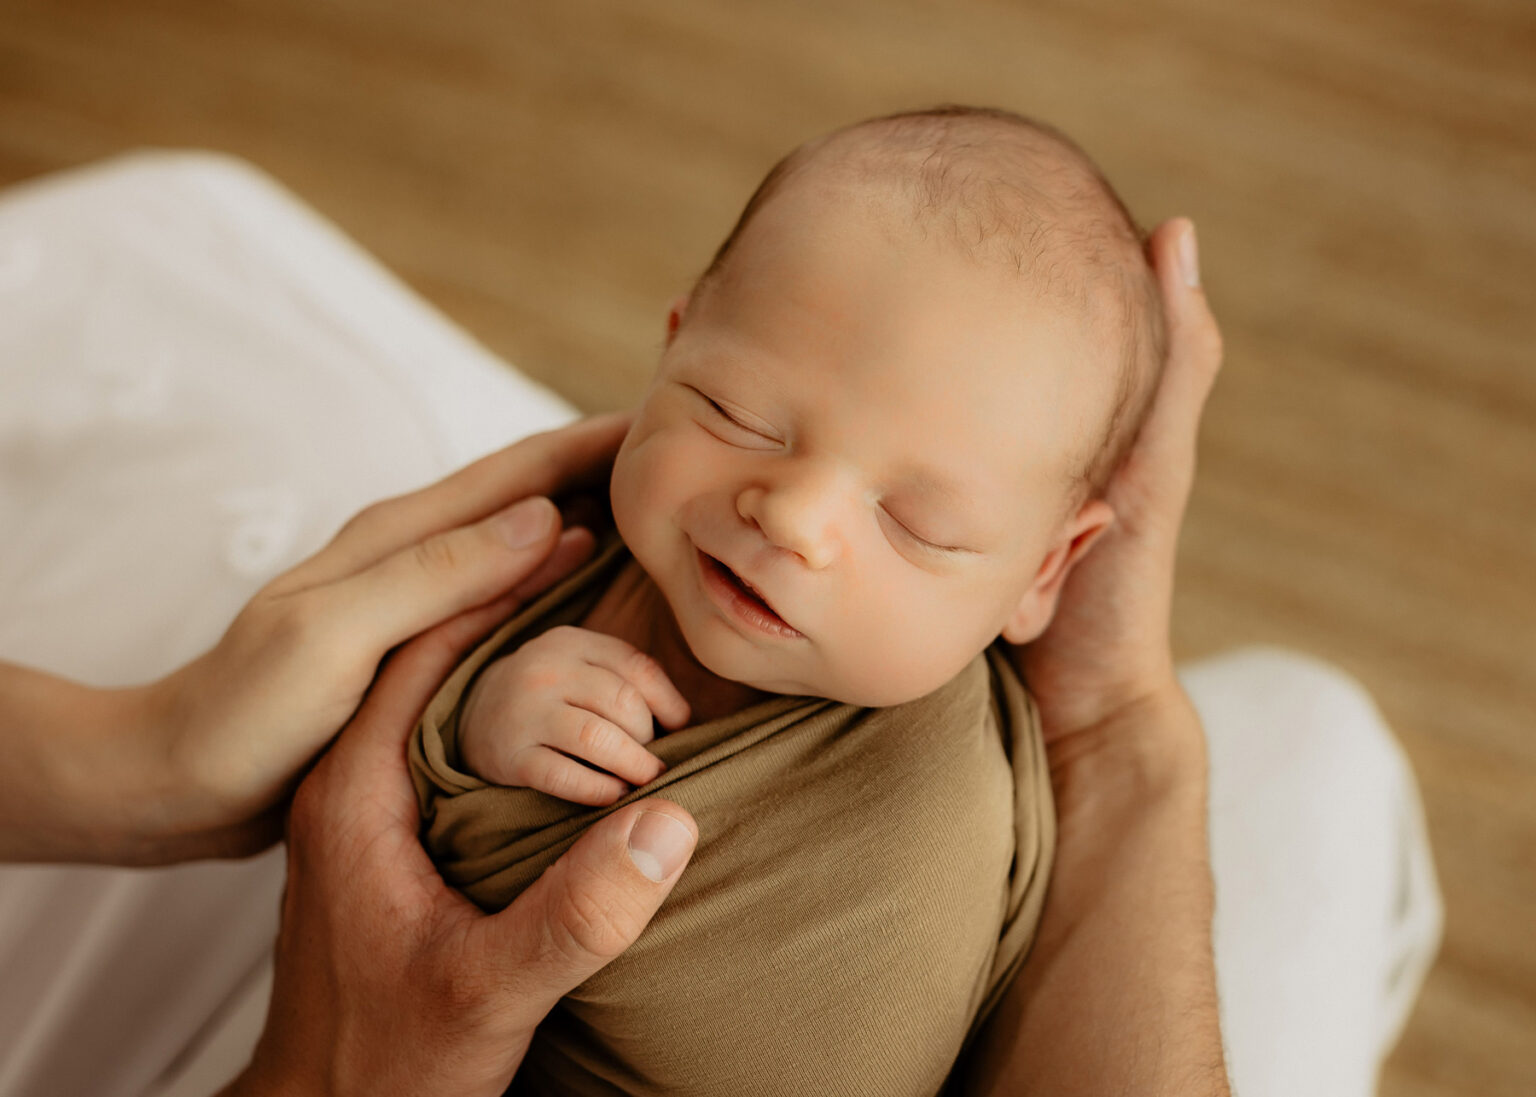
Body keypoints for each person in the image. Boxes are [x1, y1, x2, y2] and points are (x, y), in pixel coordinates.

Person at [406, 108, 1224, 1095]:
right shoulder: (572, 544)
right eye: (736, 414)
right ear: (671, 349)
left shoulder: (925, 836)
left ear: (1047, 570)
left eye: (918, 523)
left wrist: (474, 785)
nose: (793, 517)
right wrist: (491, 718)